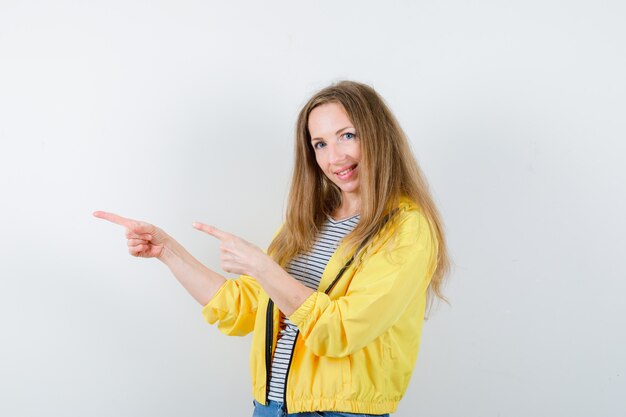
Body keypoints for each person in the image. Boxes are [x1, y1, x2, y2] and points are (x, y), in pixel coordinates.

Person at [94, 80, 449, 416]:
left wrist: (261, 266)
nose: (334, 157)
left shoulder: (406, 229)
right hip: (270, 407)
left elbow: (342, 330)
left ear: (378, 137)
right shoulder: (311, 222)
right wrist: (167, 251)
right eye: (320, 144)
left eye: (348, 136)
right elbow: (244, 307)